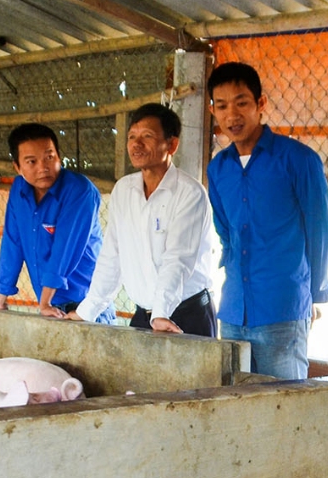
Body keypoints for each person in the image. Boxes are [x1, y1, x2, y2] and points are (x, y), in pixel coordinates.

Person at [206, 62, 328, 380]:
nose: (232, 116)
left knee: (287, 407)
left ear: (260, 104)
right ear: (212, 111)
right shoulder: (218, 169)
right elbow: (226, 232)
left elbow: (320, 233)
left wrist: (313, 295)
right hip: (234, 310)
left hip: (282, 308)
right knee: (236, 402)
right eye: (222, 106)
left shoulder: (299, 160)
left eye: (241, 103)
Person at [68, 103, 218, 336]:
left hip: (186, 316)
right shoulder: (124, 190)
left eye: (147, 136)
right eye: (131, 137)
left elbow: (178, 259)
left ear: (172, 144)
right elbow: (111, 255)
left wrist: (161, 313)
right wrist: (87, 311)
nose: (136, 144)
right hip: (145, 316)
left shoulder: (189, 193)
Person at [0, 122, 112, 322]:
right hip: (52, 304)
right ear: (17, 167)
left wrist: (44, 303)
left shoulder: (79, 191)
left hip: (86, 306)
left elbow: (65, 250)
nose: (43, 168)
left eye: (49, 157)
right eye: (31, 162)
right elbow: (13, 242)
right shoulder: (19, 189)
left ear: (59, 157)